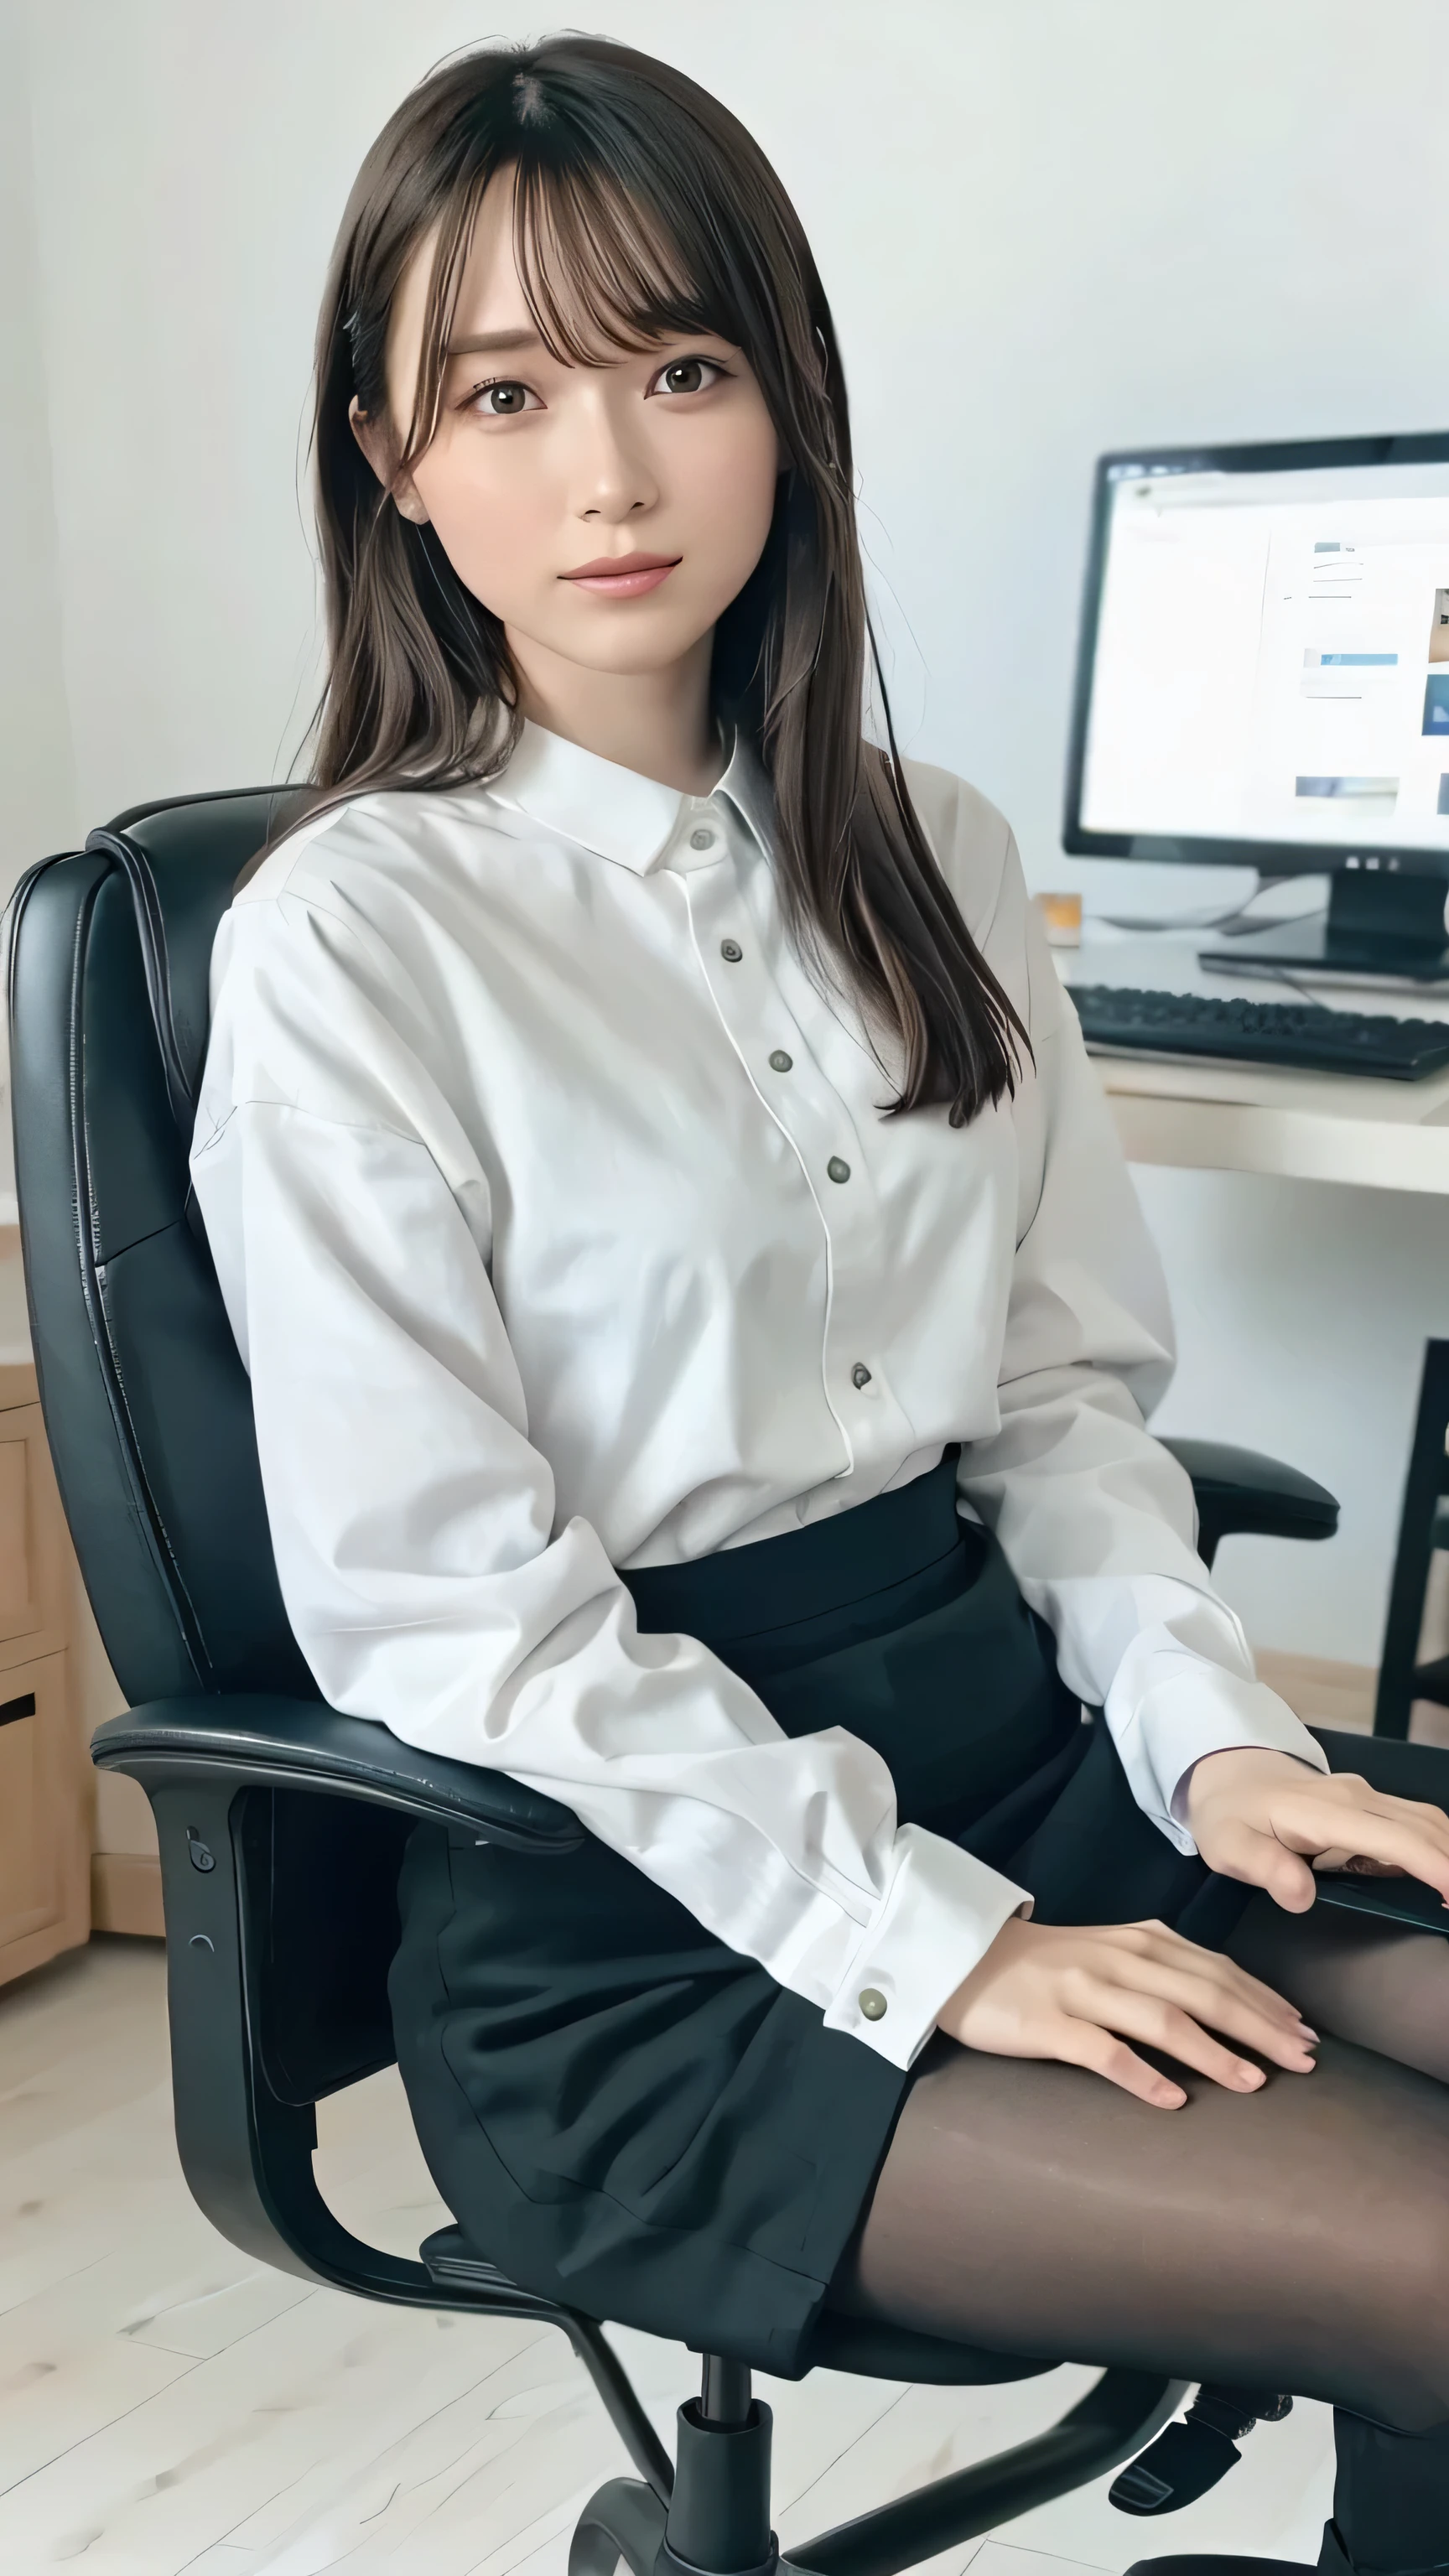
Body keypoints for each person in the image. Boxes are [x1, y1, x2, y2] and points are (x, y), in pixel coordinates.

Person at [189, 38, 1449, 2576]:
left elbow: (1065, 1402)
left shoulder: (939, 856)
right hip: (651, 1914)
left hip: (1031, 1743)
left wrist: (1210, 1752)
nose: (614, 475)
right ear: (390, 458)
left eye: (680, 371)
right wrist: (936, 1941)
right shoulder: (354, 941)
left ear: (788, 399)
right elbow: (448, 1611)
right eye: (506, 395)